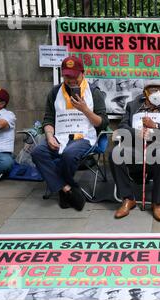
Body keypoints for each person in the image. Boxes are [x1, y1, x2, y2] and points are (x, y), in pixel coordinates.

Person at [31, 56, 109, 211]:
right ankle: (66, 188)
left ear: (83, 73)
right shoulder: (54, 92)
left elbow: (103, 123)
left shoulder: (94, 92)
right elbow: (48, 119)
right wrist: (49, 136)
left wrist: (85, 110)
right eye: (67, 76)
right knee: (37, 152)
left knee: (69, 154)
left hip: (84, 137)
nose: (71, 80)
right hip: (60, 135)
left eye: (74, 76)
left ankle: (62, 189)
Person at [109, 80, 160, 222]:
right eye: (154, 90)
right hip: (135, 146)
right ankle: (128, 199)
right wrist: (137, 132)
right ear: (145, 92)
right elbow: (123, 126)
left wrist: (155, 125)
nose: (158, 94)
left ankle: (157, 203)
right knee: (116, 154)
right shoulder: (133, 106)